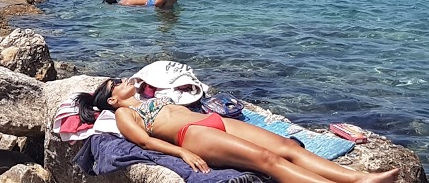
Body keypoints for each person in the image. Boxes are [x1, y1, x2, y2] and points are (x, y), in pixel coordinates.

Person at [73, 78, 400, 183]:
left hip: (214, 122)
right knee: (266, 160)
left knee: (288, 146)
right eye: (118, 83)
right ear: (113, 99)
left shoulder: (149, 95)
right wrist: (183, 152)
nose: (126, 81)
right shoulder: (122, 117)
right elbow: (144, 141)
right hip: (194, 137)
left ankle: (356, 178)